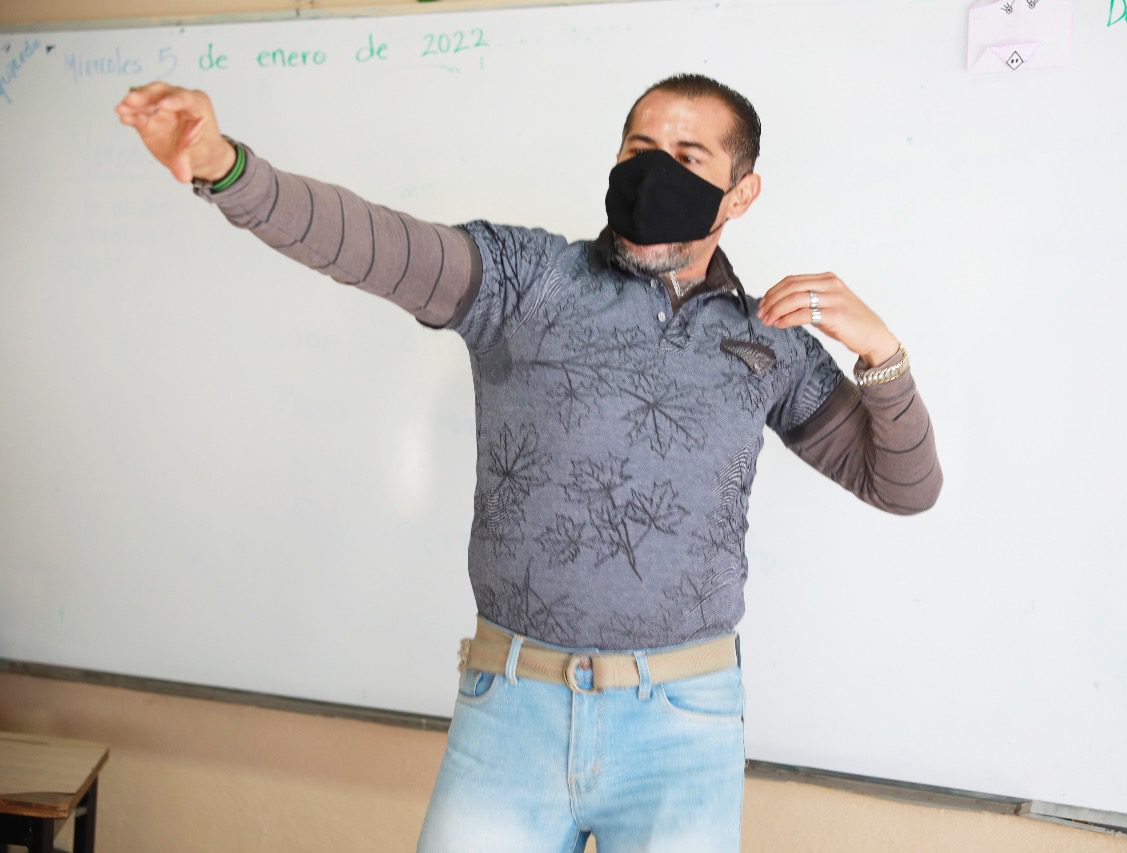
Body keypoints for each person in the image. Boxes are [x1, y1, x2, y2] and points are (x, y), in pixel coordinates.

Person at [115, 73, 941, 852]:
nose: (654, 173)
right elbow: (372, 243)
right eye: (638, 150)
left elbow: (904, 485)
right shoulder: (526, 278)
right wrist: (226, 169)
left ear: (741, 192)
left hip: (685, 727)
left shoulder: (773, 342)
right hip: (511, 709)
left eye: (688, 158)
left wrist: (883, 353)